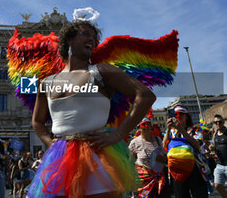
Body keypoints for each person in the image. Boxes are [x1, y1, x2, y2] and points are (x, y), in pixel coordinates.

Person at [27, 21, 156, 198]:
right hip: (59, 158)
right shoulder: (46, 82)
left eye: (93, 37)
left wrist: (117, 134)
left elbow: (145, 95)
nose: (92, 39)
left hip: (98, 153)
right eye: (85, 34)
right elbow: (37, 122)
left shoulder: (101, 71)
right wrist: (51, 143)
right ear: (69, 40)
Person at [162, 105, 208, 198]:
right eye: (175, 114)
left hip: (195, 169)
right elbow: (163, 147)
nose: (178, 116)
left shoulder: (195, 130)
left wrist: (181, 130)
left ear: (186, 116)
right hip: (177, 170)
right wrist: (168, 129)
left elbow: (197, 144)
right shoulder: (171, 132)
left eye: (181, 114)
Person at [129, 118, 168, 198]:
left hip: (159, 178)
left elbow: (165, 158)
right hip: (144, 181)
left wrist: (159, 158)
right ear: (139, 128)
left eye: (148, 124)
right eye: (143, 125)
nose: (146, 127)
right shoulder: (134, 142)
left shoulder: (157, 139)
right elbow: (131, 162)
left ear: (151, 126)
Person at [209, 114, 227, 197]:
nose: (218, 124)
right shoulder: (215, 134)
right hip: (219, 165)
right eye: (216, 122)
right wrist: (211, 149)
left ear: (223, 122)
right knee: (217, 185)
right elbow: (214, 149)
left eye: (219, 122)